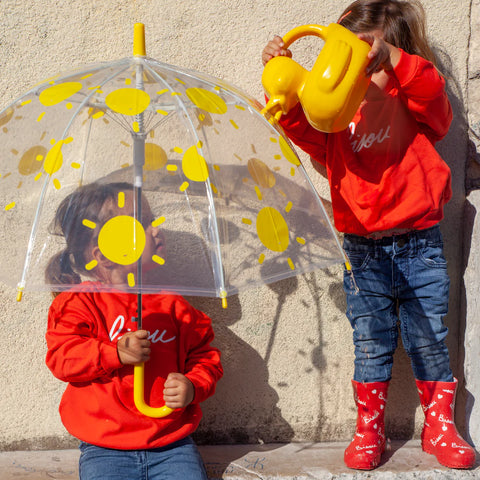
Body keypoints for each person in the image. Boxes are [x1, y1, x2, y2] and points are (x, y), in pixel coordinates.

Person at [262, 0, 476, 471]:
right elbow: (311, 135)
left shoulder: (412, 94)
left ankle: (440, 427)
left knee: (429, 337)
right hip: (362, 248)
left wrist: (394, 63)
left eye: (369, 60)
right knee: (371, 340)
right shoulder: (340, 114)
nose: (359, 74)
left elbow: (436, 105)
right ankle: (369, 428)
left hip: (419, 242)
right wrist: (286, 79)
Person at [45, 182, 223, 480]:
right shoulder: (79, 303)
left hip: (172, 445)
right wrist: (114, 353)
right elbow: (62, 358)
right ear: (103, 253)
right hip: (104, 447)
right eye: (140, 224)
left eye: (152, 221)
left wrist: (193, 385)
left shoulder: (172, 305)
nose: (155, 230)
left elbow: (205, 356)